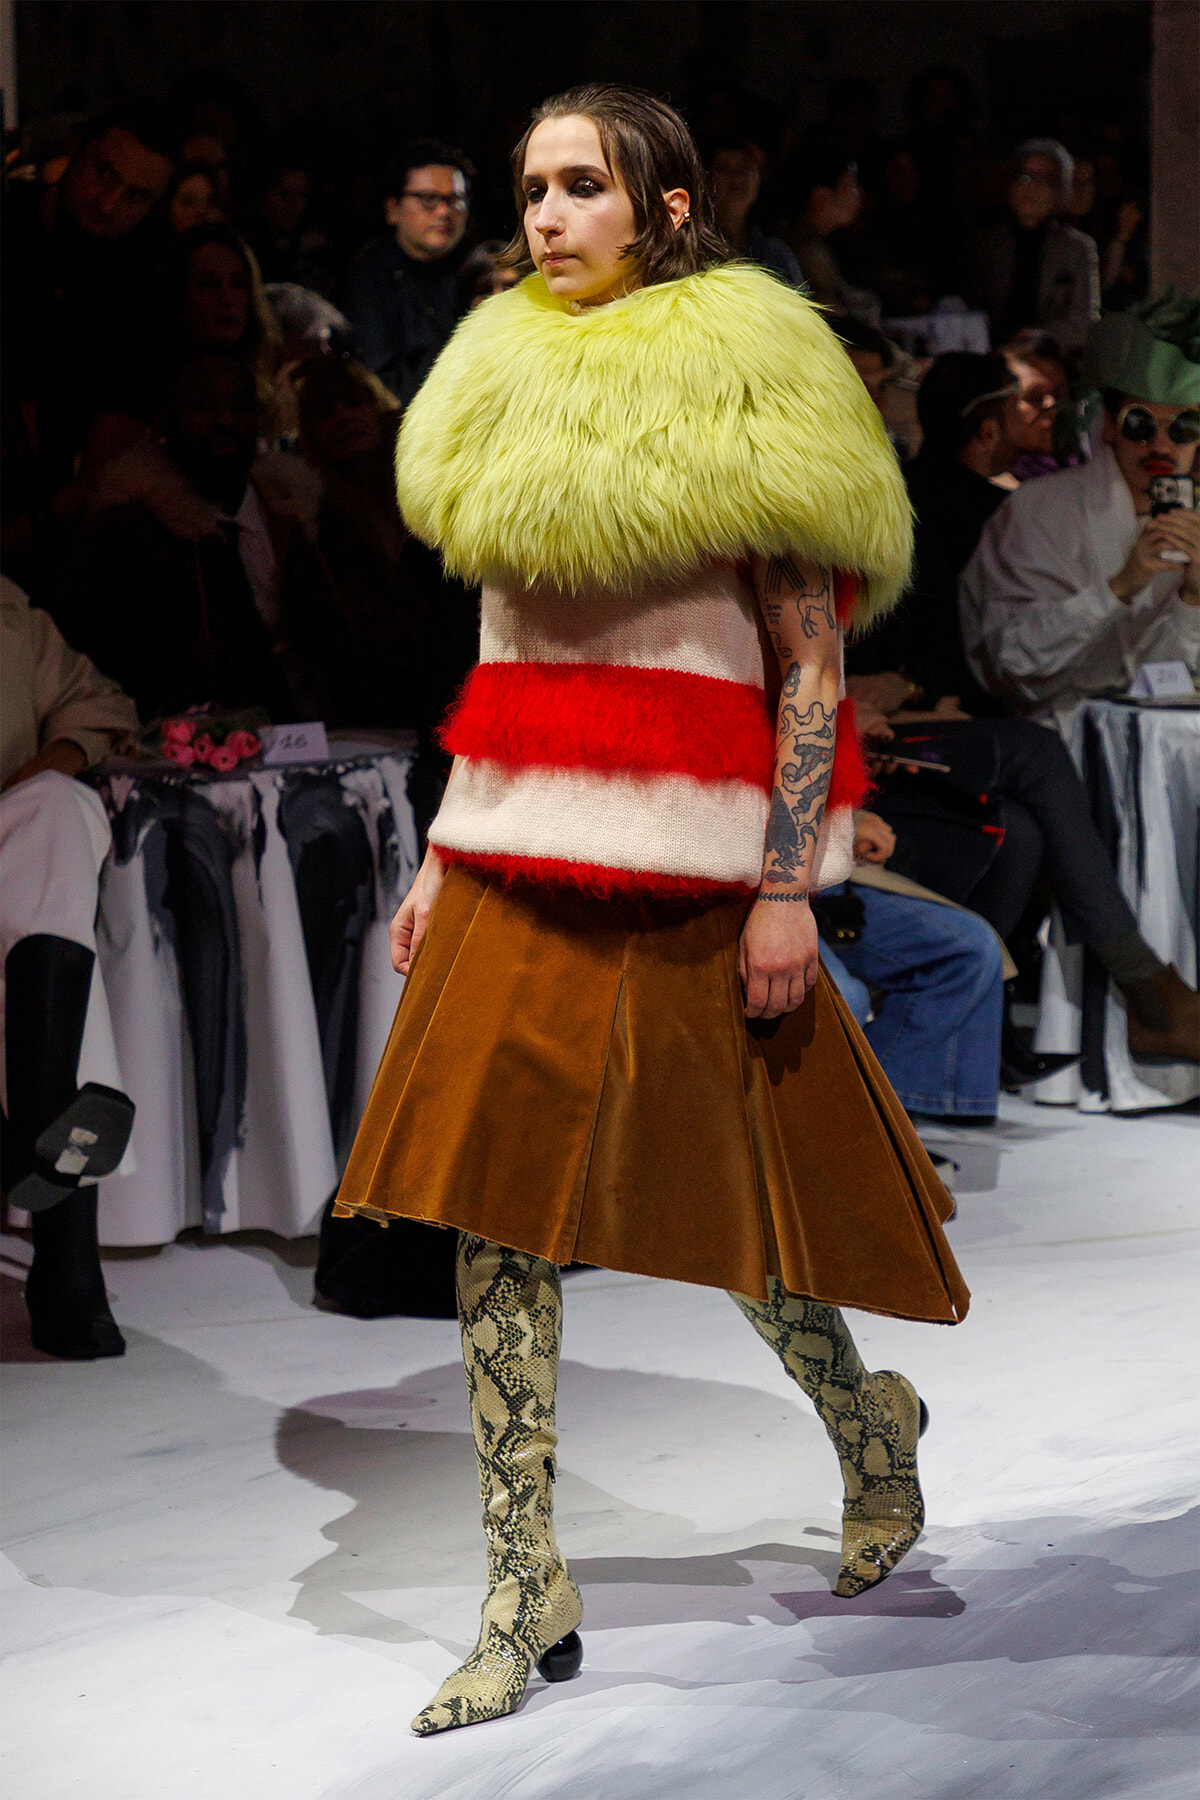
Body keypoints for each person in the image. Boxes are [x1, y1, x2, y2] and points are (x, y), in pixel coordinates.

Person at [334, 82, 968, 1739]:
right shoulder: (498, 369)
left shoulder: (755, 365)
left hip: (698, 870)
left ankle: (870, 1426)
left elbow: (810, 662)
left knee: (734, 1210)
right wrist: (442, 848)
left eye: (582, 187)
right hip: (515, 849)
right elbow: (503, 655)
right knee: (496, 1222)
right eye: (533, 187)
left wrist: (786, 885)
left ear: (667, 208)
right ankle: (521, 1582)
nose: (546, 216)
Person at [0, 576, 140, 1358]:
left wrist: (44, 767)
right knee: (55, 941)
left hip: (9, 864)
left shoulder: (8, 614)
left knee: (61, 805)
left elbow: (98, 703)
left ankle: (36, 1127)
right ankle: (66, 1267)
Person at [961, 295, 1200, 726]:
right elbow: (1014, 664)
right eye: (1140, 424)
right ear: (1108, 425)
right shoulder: (1040, 510)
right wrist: (1121, 586)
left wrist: (1193, 600)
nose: (1161, 446)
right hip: (1057, 739)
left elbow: (1169, 683)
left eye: (1183, 428)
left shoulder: (1194, 524)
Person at [56, 351, 322, 724]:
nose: (225, 420)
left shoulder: (301, 515)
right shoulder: (123, 537)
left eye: (239, 406)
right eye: (203, 406)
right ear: (164, 420)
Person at [1, 102, 177, 587]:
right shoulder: (11, 219)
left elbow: (98, 477)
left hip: (39, 547)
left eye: (136, 196)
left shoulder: (140, 296)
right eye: (105, 174)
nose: (108, 204)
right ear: (75, 153)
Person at [818, 809, 1006, 1121]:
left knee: (972, 946)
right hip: (768, 884)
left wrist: (851, 821)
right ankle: (843, 1111)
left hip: (833, 874)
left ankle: (891, 1102)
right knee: (847, 998)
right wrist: (841, 828)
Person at [345, 138, 473, 404]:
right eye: (428, 200)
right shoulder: (370, 281)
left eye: (456, 199)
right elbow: (379, 380)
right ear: (393, 209)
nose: (444, 211)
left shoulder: (479, 273)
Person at [969, 139, 1100, 356]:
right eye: (1024, 177)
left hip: (1049, 356)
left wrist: (1039, 339)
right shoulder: (987, 243)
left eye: (1043, 180)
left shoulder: (1076, 248)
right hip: (988, 353)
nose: (1031, 188)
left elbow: (1084, 321)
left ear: (1060, 190)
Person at [705, 133, 802, 285]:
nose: (736, 178)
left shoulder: (775, 253)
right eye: (723, 168)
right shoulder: (693, 248)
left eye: (744, 168)